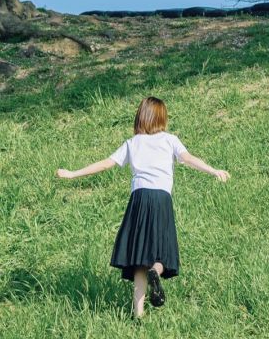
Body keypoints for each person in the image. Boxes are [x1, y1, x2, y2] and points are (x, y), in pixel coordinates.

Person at [56, 95, 229, 319]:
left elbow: (107, 163)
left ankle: (138, 314)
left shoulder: (133, 142)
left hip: (138, 200)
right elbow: (187, 158)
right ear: (162, 118)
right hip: (161, 199)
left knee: (138, 256)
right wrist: (213, 170)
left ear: (141, 118)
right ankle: (156, 272)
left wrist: (73, 173)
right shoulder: (170, 140)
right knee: (162, 252)